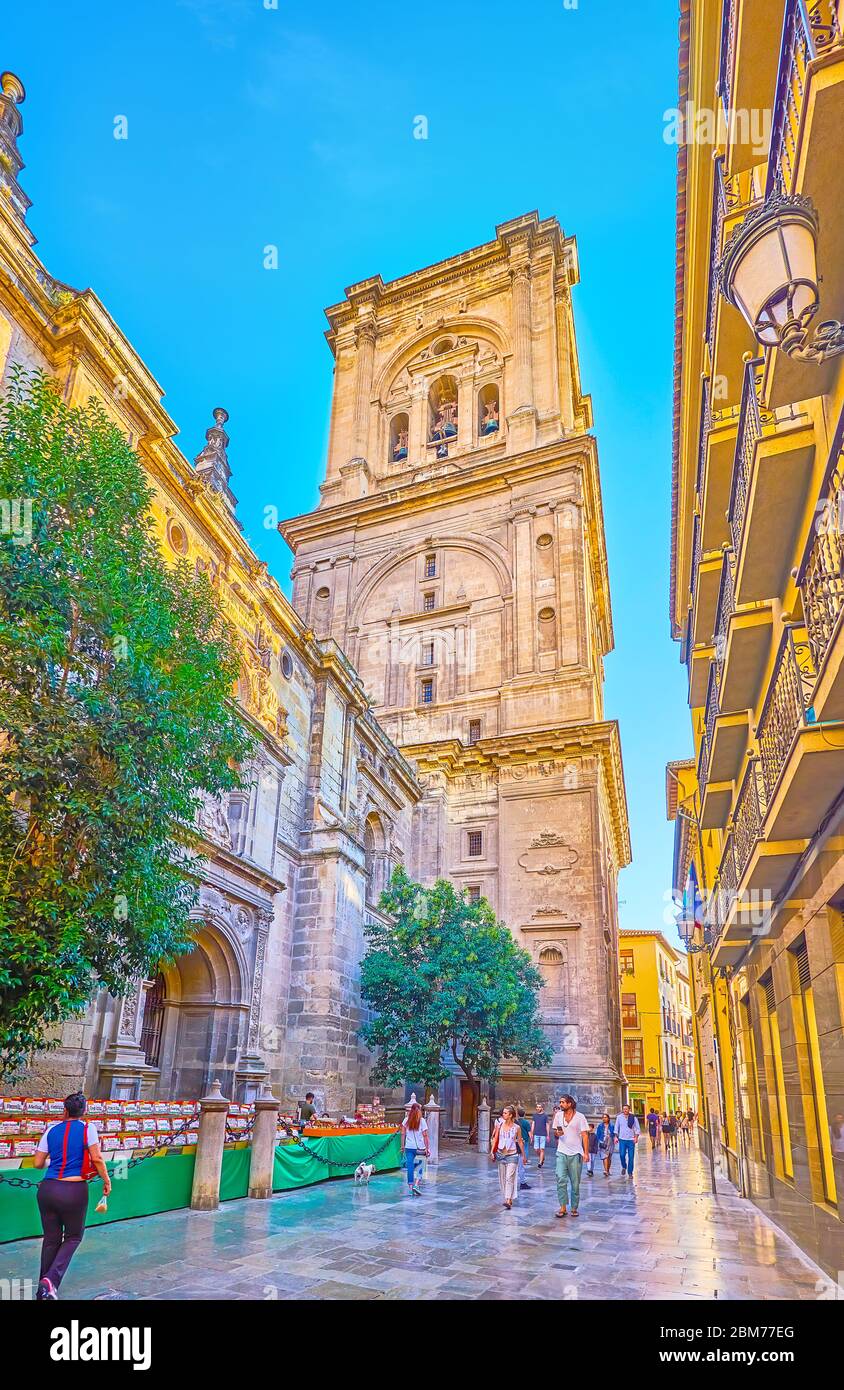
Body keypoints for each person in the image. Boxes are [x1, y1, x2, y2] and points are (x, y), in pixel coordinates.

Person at [31, 1091, 111, 1300]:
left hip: (47, 1189)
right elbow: (97, 1158)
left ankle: (44, 1288)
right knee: (74, 1236)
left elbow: (38, 1163)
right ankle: (51, 1280)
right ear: (84, 1111)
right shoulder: (88, 1129)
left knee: (50, 1239)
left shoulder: (51, 1130)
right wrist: (106, 1180)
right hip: (73, 1190)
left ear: (65, 1110)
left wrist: (54, 1163)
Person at [552, 1094, 589, 1218]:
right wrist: (557, 1133)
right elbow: (555, 1133)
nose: (561, 1104)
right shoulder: (558, 1116)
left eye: (563, 1102)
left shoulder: (580, 1117)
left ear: (569, 1104)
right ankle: (563, 1207)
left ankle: (574, 1207)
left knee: (575, 1182)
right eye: (560, 1102)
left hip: (576, 1153)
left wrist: (586, 1153)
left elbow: (584, 1135)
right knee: (560, 1178)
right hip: (561, 1151)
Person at [491, 1104, 526, 1210]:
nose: (503, 1114)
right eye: (503, 1113)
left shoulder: (517, 1127)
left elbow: (520, 1141)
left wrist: (524, 1156)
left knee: (509, 1178)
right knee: (502, 1178)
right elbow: (495, 1139)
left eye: (505, 1113)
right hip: (501, 1154)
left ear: (511, 1115)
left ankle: (507, 1200)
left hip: (513, 1154)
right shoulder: (499, 1125)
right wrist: (492, 1152)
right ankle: (509, 1198)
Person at [401, 1100, 430, 1196]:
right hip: (420, 1148)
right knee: (421, 1166)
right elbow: (425, 1135)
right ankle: (416, 1184)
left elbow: (403, 1134)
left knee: (410, 1167)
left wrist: (402, 1146)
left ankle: (410, 1186)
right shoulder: (422, 1121)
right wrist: (427, 1148)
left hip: (409, 1147)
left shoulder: (406, 1120)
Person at [614, 1104, 641, 1177]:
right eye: (624, 1109)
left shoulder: (633, 1118)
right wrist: (616, 1137)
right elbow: (616, 1127)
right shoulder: (619, 1117)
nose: (625, 1110)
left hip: (631, 1140)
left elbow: (637, 1128)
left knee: (631, 1157)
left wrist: (636, 1137)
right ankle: (624, 1166)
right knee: (622, 1154)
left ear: (629, 1109)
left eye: (626, 1109)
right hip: (622, 1139)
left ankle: (630, 1172)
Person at [517, 1107, 532, 1190]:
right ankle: (524, 1159)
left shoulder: (516, 1122)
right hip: (524, 1139)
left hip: (517, 1141)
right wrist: (531, 1138)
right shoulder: (526, 1122)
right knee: (524, 1150)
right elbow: (529, 1131)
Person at [530, 1103, 549, 1168]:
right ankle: (542, 1157)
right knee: (536, 1149)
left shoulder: (545, 1116)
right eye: (537, 1107)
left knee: (542, 1149)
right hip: (536, 1134)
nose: (538, 1108)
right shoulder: (534, 1115)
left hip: (543, 1134)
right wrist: (532, 1133)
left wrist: (548, 1135)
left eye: (539, 1107)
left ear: (542, 1108)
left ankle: (540, 1163)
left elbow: (547, 1125)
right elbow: (533, 1124)